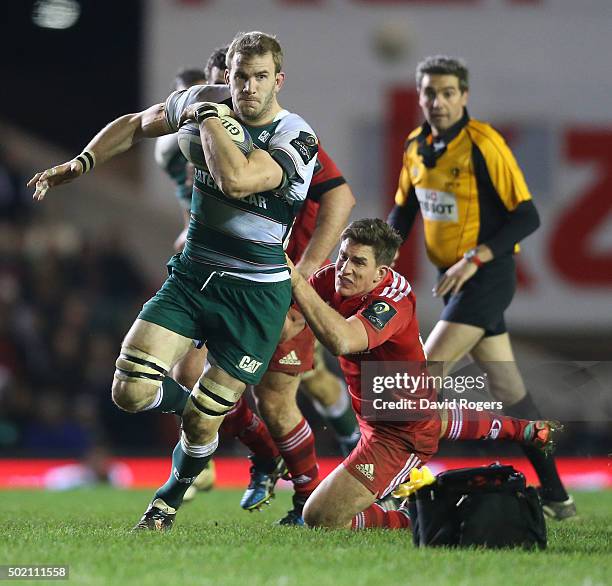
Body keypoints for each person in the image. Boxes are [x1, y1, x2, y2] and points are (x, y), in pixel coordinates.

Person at [28, 30, 319, 532]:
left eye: (259, 77)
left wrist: (207, 117)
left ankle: (165, 502)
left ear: (279, 80)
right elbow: (139, 124)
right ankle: (210, 413)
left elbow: (239, 179)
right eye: (239, 77)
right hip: (192, 276)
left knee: (206, 420)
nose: (248, 87)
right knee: (131, 391)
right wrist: (83, 162)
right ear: (227, 76)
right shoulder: (207, 101)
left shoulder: (297, 137)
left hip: (255, 292)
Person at [387, 55, 575, 520]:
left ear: (464, 96)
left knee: (420, 379)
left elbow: (526, 215)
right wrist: (380, 254)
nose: (439, 101)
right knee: (512, 394)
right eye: (430, 92)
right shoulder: (416, 146)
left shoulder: (483, 144)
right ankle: (556, 495)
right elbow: (404, 212)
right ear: (420, 96)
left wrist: (476, 257)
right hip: (453, 284)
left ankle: (394, 485)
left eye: (449, 92)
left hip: (486, 278)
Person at [288, 218, 558, 529]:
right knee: (431, 416)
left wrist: (295, 281)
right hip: (392, 412)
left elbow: (342, 340)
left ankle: (412, 518)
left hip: (397, 437)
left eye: (358, 262)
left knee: (320, 518)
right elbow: (289, 319)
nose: (345, 268)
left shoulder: (393, 302)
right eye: (343, 256)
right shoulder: (334, 279)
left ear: (381, 273)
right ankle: (526, 430)